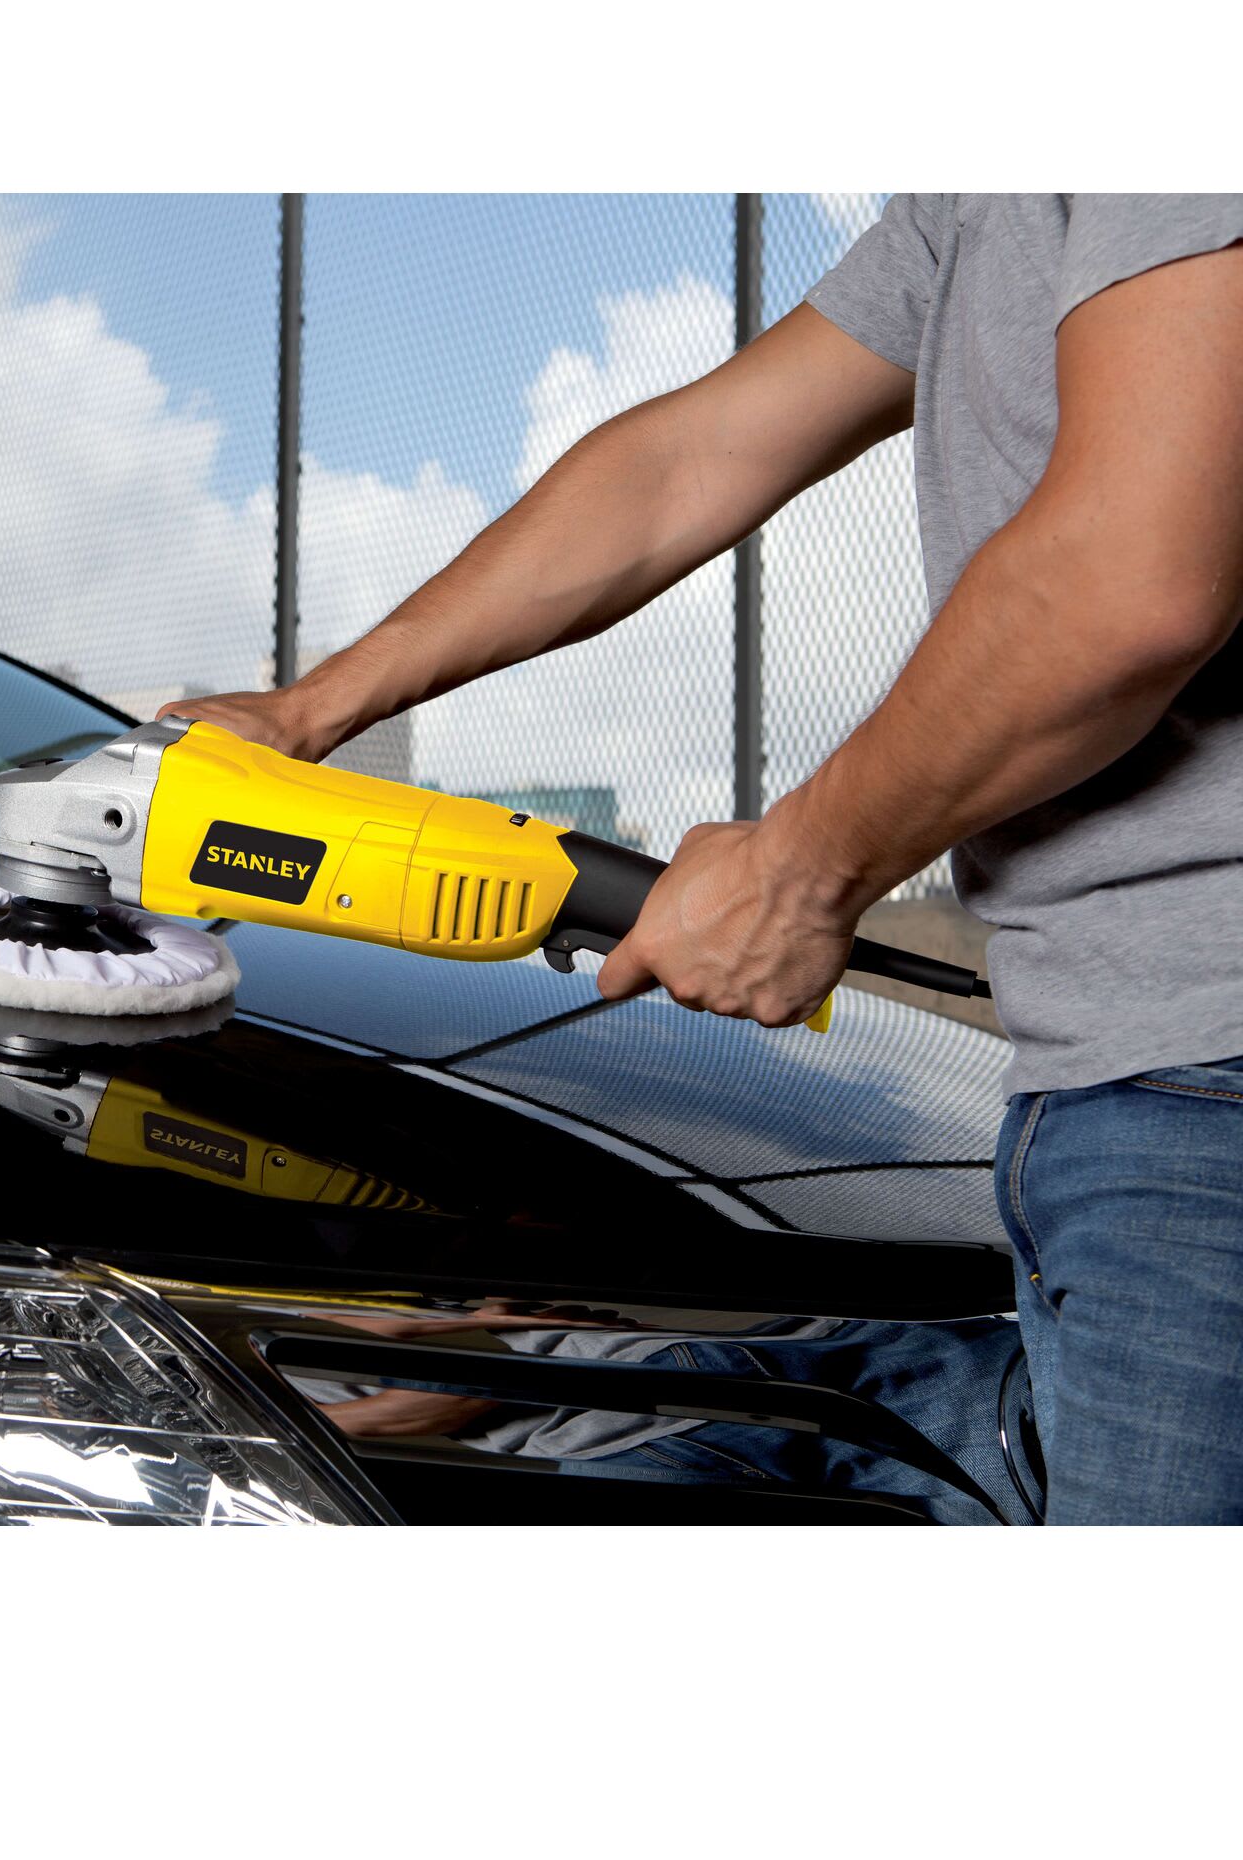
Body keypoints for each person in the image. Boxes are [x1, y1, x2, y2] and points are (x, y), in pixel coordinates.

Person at [160, 196, 1243, 1525]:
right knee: (741, 1428)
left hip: (1205, 1088)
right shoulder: (972, 203)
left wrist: (801, 870)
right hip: (1098, 1082)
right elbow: (689, 459)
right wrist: (306, 713)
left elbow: (1130, 579)